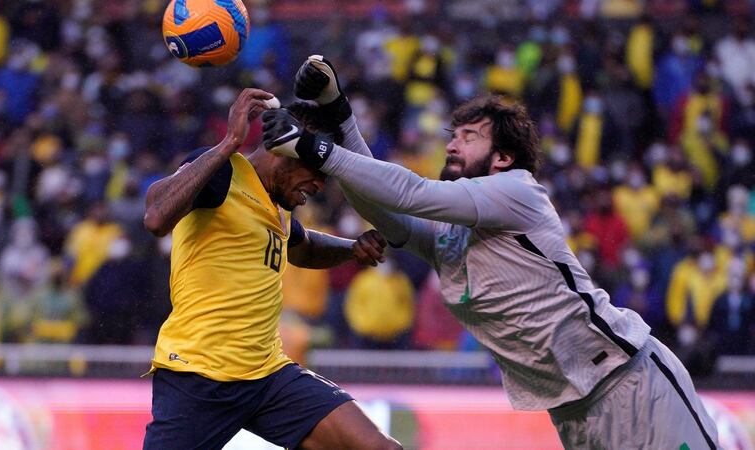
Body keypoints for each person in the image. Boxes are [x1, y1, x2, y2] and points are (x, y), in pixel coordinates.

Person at [262, 56, 719, 449]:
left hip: (629, 381)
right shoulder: (448, 234)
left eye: (468, 136)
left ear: (501, 157)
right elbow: (384, 207)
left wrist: (313, 148)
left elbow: (411, 192)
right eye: (452, 135)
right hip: (572, 408)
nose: (451, 143)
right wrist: (339, 116)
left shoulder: (516, 191)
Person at [142, 88, 401, 450]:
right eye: (316, 169)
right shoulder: (222, 172)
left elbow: (304, 247)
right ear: (283, 153)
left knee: (379, 448)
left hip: (267, 376)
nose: (321, 185)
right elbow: (155, 217)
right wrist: (229, 143)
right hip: (198, 376)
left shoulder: (276, 205)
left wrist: (352, 249)